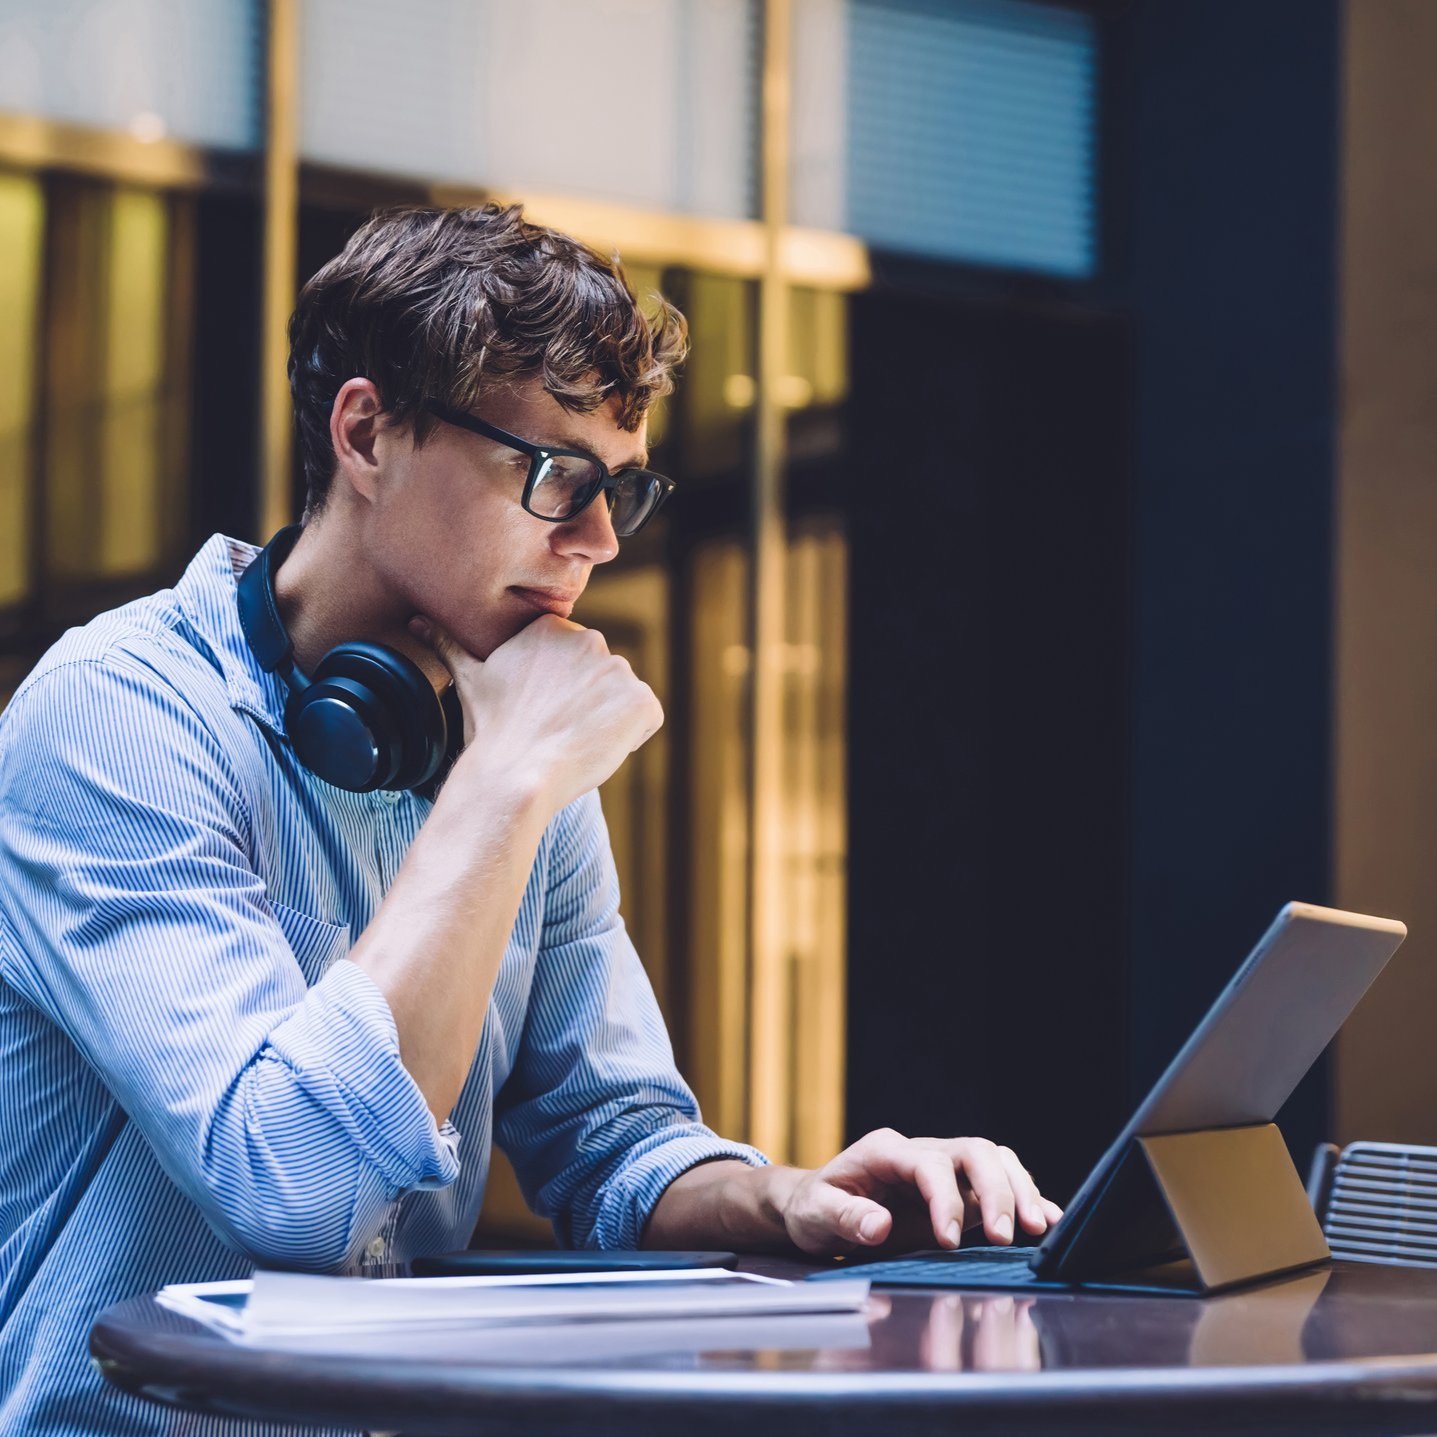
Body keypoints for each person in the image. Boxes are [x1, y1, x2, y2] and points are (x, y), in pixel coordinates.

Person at [0, 203, 1062, 1435]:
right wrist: (504, 786)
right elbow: (292, 1183)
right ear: (366, 432)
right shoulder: (117, 719)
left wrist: (789, 1200)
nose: (601, 541)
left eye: (624, 490)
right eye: (557, 476)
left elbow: (612, 1142)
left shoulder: (507, 729)